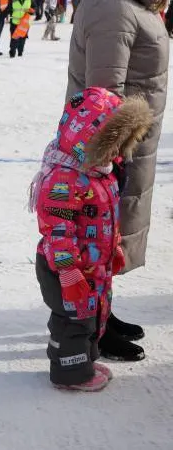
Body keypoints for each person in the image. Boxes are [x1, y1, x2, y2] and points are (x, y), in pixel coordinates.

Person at [66, 0, 169, 362]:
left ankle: (102, 311)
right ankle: (93, 324)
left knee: (111, 239)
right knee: (98, 237)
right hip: (113, 152)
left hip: (130, 146)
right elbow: (103, 96)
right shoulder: (114, 8)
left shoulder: (134, 6)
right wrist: (108, 162)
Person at [30, 87, 152, 391]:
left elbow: (106, 215)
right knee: (73, 321)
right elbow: (57, 230)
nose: (116, 153)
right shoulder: (64, 177)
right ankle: (69, 374)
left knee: (93, 315)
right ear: (89, 140)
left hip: (93, 265)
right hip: (67, 269)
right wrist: (68, 270)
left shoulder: (100, 171)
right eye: (110, 145)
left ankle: (83, 360)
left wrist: (115, 247)